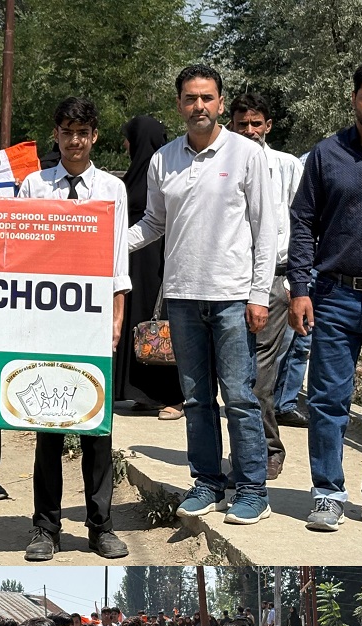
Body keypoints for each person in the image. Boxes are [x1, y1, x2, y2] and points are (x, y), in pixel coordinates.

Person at [128, 64, 278, 526]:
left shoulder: (247, 154)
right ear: (179, 105)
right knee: (195, 399)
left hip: (234, 297)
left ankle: (252, 489)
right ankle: (208, 482)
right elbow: (153, 223)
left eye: (207, 98)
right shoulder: (163, 160)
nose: (199, 107)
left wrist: (258, 294)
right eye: (190, 99)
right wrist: (106, 244)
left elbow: (265, 227)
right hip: (183, 296)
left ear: (219, 101)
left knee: (239, 397)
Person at [290, 59, 362, 531]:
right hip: (333, 296)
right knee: (327, 399)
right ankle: (327, 494)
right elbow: (301, 224)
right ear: (354, 99)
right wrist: (300, 289)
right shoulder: (326, 154)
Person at [19, 98, 131, 561]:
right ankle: (45, 528)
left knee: (96, 428)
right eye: (67, 131)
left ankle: (100, 526)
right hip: (46, 321)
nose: (75, 140)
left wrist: (117, 316)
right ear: (56, 135)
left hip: (93, 321)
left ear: (95, 136)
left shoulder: (112, 188)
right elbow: (17, 254)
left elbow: (118, 258)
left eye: (83, 131)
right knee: (46, 426)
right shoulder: (34, 185)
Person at [228, 93, 304, 481]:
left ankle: (267, 450)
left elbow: (303, 226)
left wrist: (297, 282)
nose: (250, 131)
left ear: (268, 126)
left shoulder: (287, 166)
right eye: (242, 124)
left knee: (258, 374)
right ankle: (245, 451)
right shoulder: (223, 163)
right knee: (232, 376)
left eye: (256, 124)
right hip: (231, 280)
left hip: (275, 279)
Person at [116, 115, 183, 415]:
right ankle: (142, 393)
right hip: (132, 260)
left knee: (159, 326)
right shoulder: (133, 175)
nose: (126, 144)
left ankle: (171, 396)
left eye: (130, 138)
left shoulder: (166, 172)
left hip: (155, 262)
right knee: (138, 325)